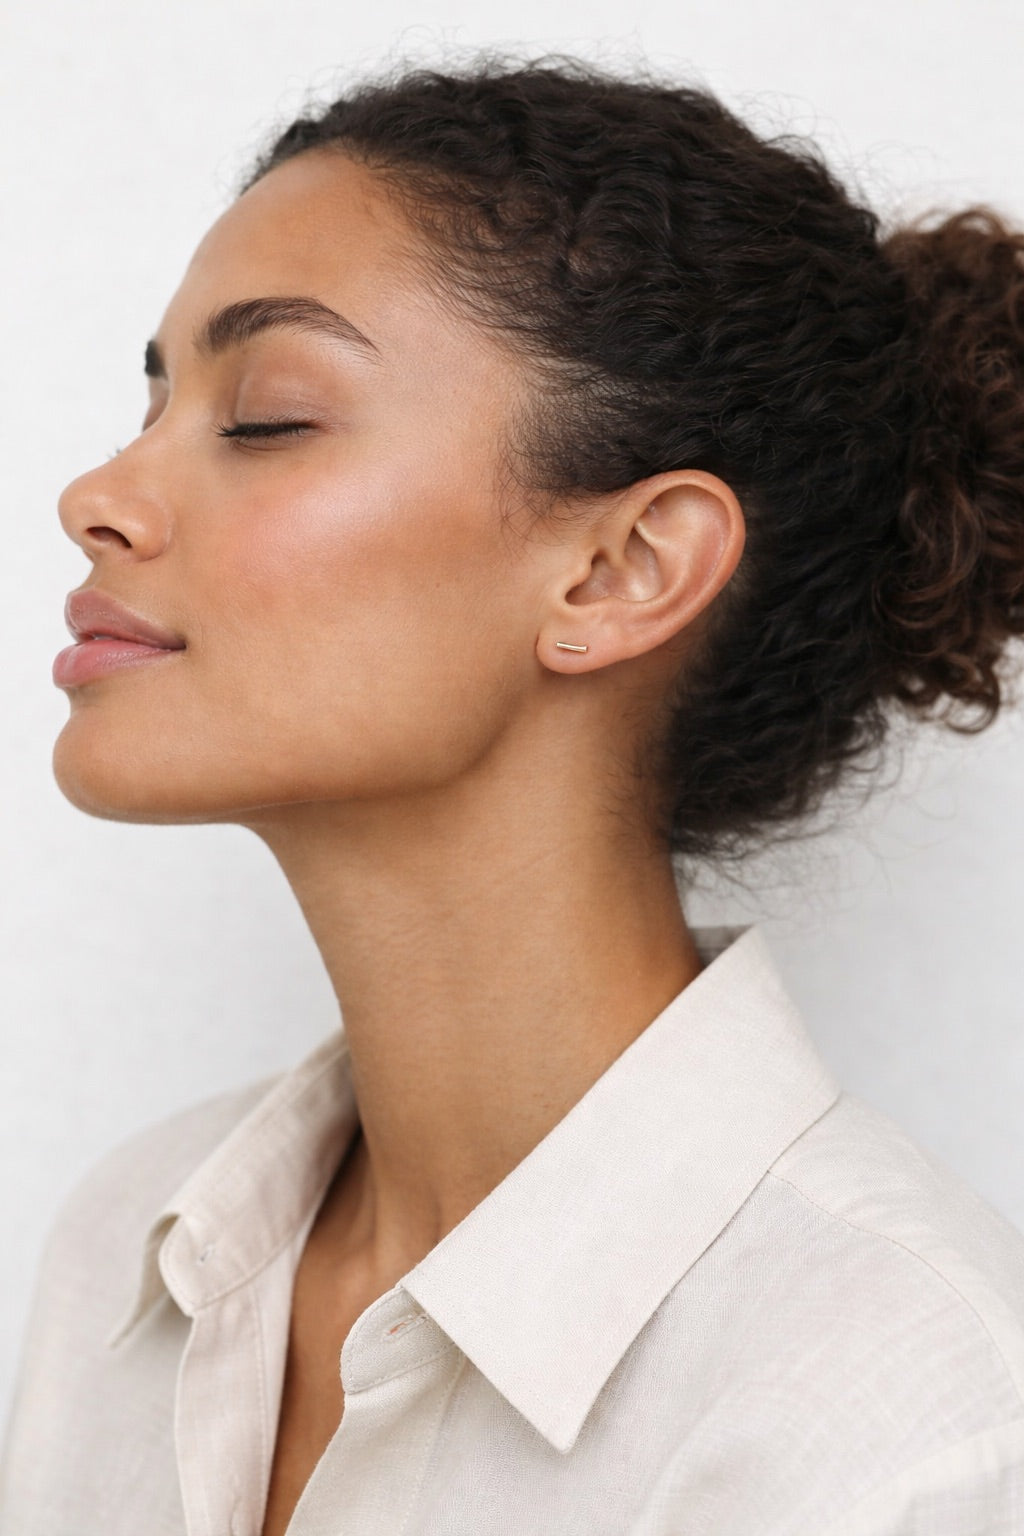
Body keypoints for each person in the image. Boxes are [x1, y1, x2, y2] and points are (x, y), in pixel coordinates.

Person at [3, 55, 1024, 1536]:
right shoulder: (132, 1252)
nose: (96, 495)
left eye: (266, 415)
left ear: (622, 570)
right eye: (151, 399)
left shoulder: (898, 1420)